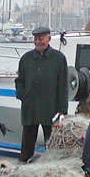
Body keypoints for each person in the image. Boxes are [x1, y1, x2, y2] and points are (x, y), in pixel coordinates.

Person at [15, 26, 68, 162]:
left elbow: (63, 85)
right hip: (30, 107)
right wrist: (22, 95)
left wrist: (62, 110)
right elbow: (19, 81)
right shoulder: (26, 59)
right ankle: (23, 166)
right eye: (36, 39)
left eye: (41, 39)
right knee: (27, 144)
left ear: (48, 39)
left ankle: (51, 168)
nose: (38, 42)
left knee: (51, 144)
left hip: (50, 108)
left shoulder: (58, 58)